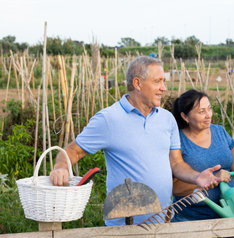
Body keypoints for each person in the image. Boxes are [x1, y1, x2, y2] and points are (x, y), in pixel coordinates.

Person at [50, 56, 222, 227]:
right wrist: (60, 167)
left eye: (163, 81)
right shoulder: (109, 119)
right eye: (157, 82)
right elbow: (72, 151)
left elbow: (176, 163)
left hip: (163, 222)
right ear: (138, 84)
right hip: (125, 228)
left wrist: (197, 177)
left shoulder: (166, 119)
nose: (163, 88)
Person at [170, 89, 234, 222]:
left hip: (230, 213)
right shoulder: (177, 141)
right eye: (201, 112)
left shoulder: (219, 131)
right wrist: (213, 179)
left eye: (209, 109)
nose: (208, 115)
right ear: (185, 117)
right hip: (193, 218)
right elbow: (174, 187)